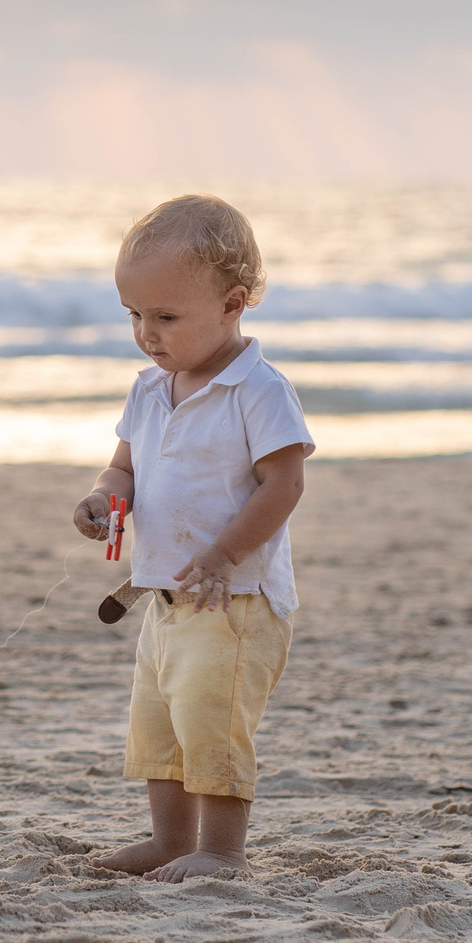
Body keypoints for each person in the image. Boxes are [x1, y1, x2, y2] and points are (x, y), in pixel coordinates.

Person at [75, 195, 314, 882]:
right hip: (166, 596)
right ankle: (170, 840)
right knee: (161, 724)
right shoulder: (150, 388)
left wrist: (224, 552)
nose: (146, 333)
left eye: (166, 317)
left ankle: (223, 851)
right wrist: (104, 499)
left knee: (212, 722)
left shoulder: (258, 390)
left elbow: (284, 484)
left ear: (232, 304)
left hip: (234, 598)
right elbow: (123, 467)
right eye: (133, 315)